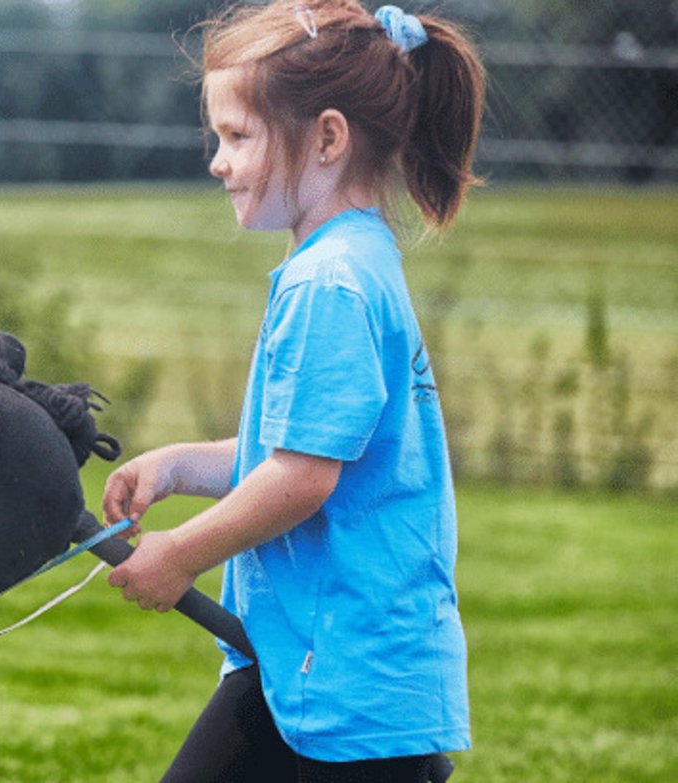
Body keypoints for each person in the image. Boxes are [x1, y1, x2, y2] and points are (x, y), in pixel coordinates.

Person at [100, 2, 484, 781]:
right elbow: (298, 448)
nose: (217, 159)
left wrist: (183, 551)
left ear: (329, 139)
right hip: (306, 663)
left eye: (238, 136)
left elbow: (304, 477)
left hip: (349, 680)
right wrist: (179, 465)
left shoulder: (330, 283)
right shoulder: (354, 261)